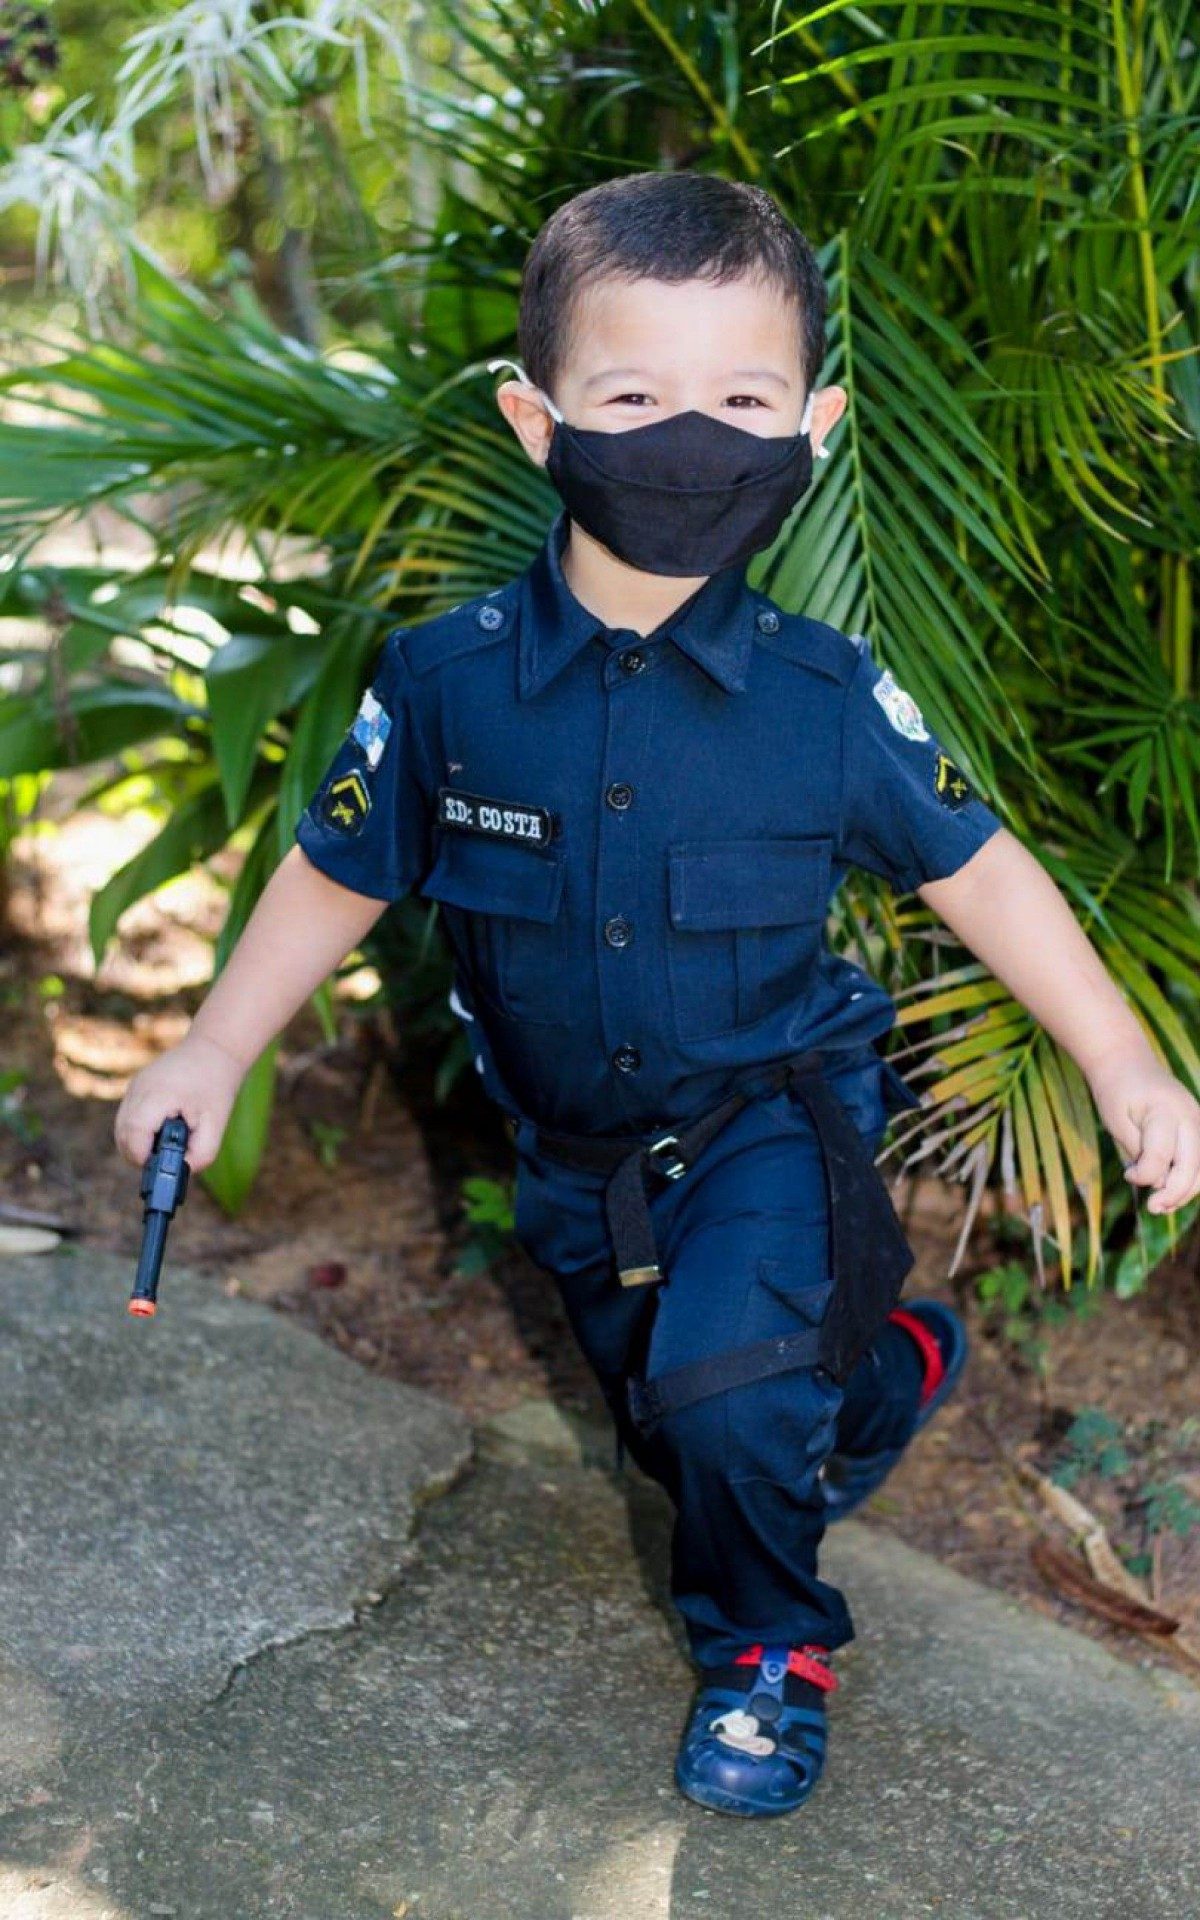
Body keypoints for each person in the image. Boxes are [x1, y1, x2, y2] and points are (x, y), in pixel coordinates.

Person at [114, 171, 1200, 1820]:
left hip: (772, 1119)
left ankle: (770, 1654)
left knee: (726, 1397)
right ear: (538, 423)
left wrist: (1123, 1060)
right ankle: (890, 1364)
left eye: (741, 399)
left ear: (814, 424)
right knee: (682, 1421)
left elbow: (982, 870)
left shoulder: (831, 705)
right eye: (633, 395)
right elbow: (339, 874)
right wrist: (208, 1044)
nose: (689, 435)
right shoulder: (448, 682)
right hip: (571, 1160)